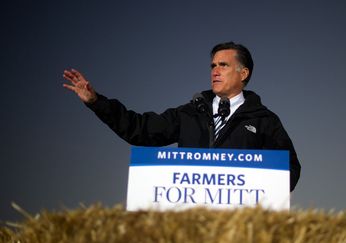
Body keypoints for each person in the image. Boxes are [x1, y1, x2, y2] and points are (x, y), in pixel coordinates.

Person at [63, 42, 301, 191]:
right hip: (191, 223)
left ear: (244, 73)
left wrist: (256, 196)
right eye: (212, 66)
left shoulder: (264, 121)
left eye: (223, 65)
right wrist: (97, 102)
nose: (215, 71)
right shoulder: (189, 113)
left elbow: (289, 169)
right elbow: (140, 129)